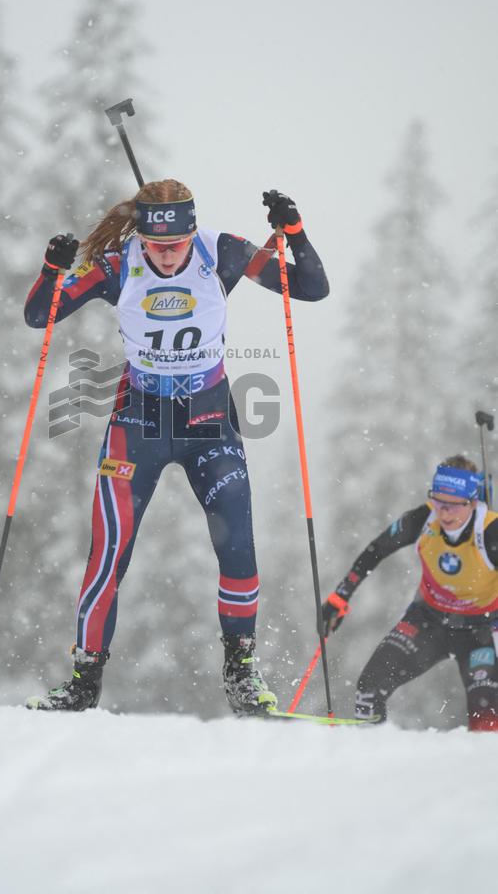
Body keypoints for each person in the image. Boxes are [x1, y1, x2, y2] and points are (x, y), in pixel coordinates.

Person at [23, 179, 329, 715]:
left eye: (177, 243)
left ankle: (241, 672)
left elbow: (309, 288)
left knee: (238, 546)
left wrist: (295, 232)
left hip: (208, 419)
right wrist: (53, 269)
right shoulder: (118, 265)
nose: (167, 255)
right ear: (140, 235)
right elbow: (40, 315)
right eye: (156, 245)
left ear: (193, 232)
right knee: (108, 553)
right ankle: (84, 680)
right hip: (138, 420)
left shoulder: (222, 252)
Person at [322, 455, 498, 730]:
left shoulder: (490, 531)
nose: (444, 513)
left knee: (486, 718)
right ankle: (367, 749)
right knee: (369, 686)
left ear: (473, 502)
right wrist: (340, 596)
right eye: (438, 501)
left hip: (480, 632)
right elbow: (376, 550)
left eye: (454, 505)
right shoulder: (423, 519)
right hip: (428, 622)